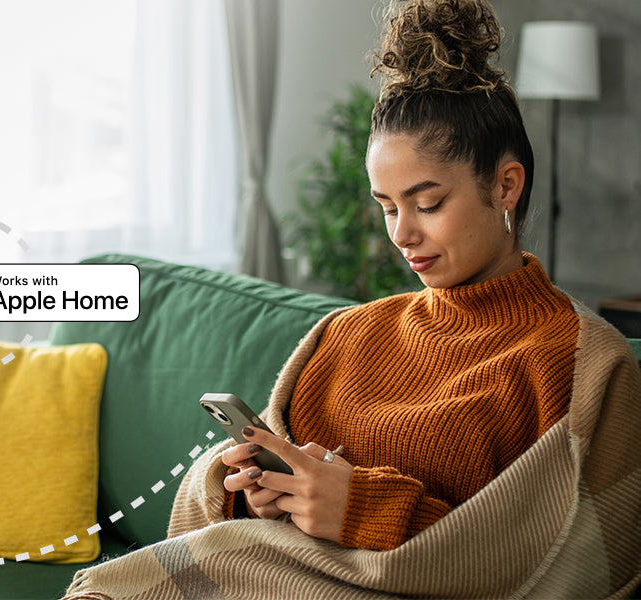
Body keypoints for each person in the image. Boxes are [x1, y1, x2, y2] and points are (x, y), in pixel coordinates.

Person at [64, 1, 641, 596]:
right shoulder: (345, 334)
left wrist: (364, 511)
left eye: (428, 203)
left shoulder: (582, 364)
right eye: (388, 207)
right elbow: (235, 513)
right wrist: (246, 491)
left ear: (505, 185)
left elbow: (571, 568)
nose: (402, 234)